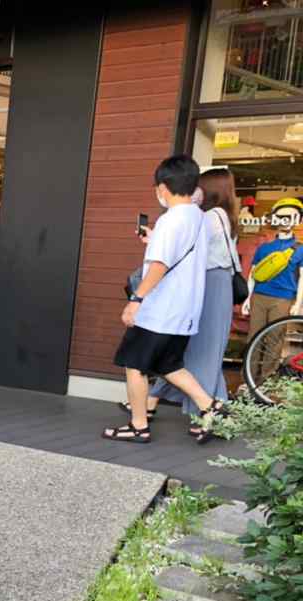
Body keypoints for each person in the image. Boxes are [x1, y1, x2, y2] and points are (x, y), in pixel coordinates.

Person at [102, 155, 228, 446]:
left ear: (163, 187)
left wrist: (136, 299)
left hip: (160, 310)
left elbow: (159, 265)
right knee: (170, 365)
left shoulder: (171, 220)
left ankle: (138, 426)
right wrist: (154, 238)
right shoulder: (197, 216)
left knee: (134, 364)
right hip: (185, 311)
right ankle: (210, 405)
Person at [143, 166, 240, 435]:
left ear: (208, 189)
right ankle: (153, 401)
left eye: (199, 186)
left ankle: (210, 416)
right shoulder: (221, 215)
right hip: (213, 283)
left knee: (203, 352)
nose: (194, 190)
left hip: (212, 284)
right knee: (194, 351)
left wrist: (158, 240)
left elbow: (184, 246)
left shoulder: (211, 216)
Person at [243, 197, 303, 382]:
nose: (285, 220)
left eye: (291, 216)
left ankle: (266, 382)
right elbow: (253, 274)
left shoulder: (300, 249)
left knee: (275, 340)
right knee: (254, 338)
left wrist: (298, 303)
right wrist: (247, 298)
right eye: (281, 216)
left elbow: (302, 278)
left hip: (283, 299)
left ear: (299, 220)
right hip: (259, 297)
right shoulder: (265, 248)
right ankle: (249, 380)